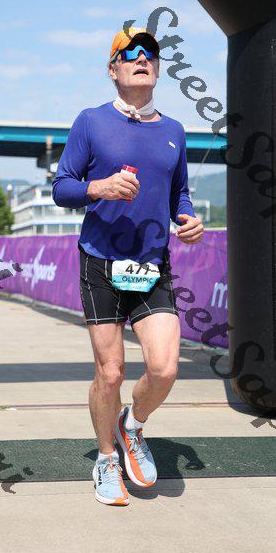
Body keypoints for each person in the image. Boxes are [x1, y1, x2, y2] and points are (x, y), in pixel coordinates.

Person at [52, 27, 204, 506]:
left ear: (157, 69)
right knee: (111, 373)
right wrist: (98, 188)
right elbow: (62, 187)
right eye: (130, 53)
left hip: (151, 263)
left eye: (150, 54)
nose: (142, 58)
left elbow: (179, 194)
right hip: (101, 260)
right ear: (113, 68)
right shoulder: (91, 121)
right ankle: (105, 459)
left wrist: (188, 218)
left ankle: (131, 426)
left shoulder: (174, 131)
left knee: (164, 369)